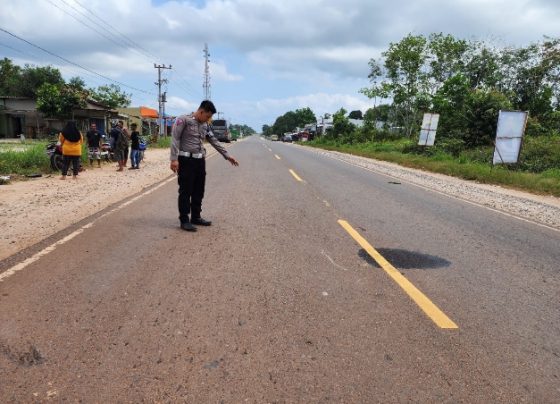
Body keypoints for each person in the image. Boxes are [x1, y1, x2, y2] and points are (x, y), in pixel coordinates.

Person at [170, 100, 239, 232]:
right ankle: (184, 220)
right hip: (186, 160)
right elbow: (175, 138)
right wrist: (174, 159)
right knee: (185, 190)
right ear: (201, 111)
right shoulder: (183, 119)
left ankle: (196, 216)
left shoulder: (205, 125)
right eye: (207, 116)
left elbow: (213, 140)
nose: (208, 119)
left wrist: (227, 155)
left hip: (200, 161)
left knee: (199, 190)